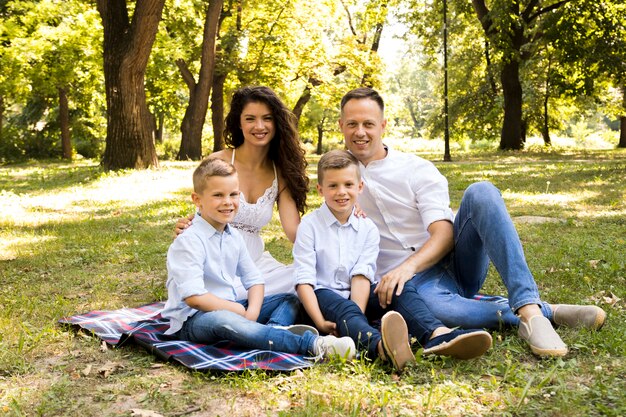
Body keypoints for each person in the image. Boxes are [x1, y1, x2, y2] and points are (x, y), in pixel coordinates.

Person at [337, 87, 607, 357]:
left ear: (383, 126)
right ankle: (550, 311)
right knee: (438, 311)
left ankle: (530, 308)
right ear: (341, 126)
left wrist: (407, 268)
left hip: (452, 263)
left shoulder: (415, 169)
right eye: (352, 124)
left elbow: (443, 233)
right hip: (409, 290)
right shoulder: (339, 181)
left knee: (482, 192)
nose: (360, 132)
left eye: (368, 124)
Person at [293, 150, 493, 369]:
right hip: (321, 297)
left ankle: (437, 334)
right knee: (344, 309)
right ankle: (382, 347)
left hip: (357, 295)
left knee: (399, 288)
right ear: (320, 189)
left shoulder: (367, 228)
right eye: (333, 186)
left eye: (348, 185)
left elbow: (361, 275)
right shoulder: (309, 226)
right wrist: (320, 322)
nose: (342, 192)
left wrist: (357, 316)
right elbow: (304, 281)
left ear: (360, 187)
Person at [161, 158, 355, 359]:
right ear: (197, 199)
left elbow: (254, 279)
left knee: (289, 299)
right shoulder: (188, 240)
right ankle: (314, 345)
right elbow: (194, 298)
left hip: (233, 307)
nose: (228, 202)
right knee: (224, 321)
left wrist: (252, 313)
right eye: (218, 195)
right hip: (192, 319)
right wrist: (237, 309)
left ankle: (273, 333)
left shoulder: (233, 236)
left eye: (234, 194)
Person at [175, 86, 309, 299]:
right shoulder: (217, 162)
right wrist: (187, 225)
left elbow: (295, 232)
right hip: (215, 263)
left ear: (277, 122)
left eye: (267, 118)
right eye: (250, 119)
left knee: (302, 280)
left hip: (255, 264)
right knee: (226, 296)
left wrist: (338, 219)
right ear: (239, 122)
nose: (259, 126)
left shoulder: (280, 172)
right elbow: (202, 214)